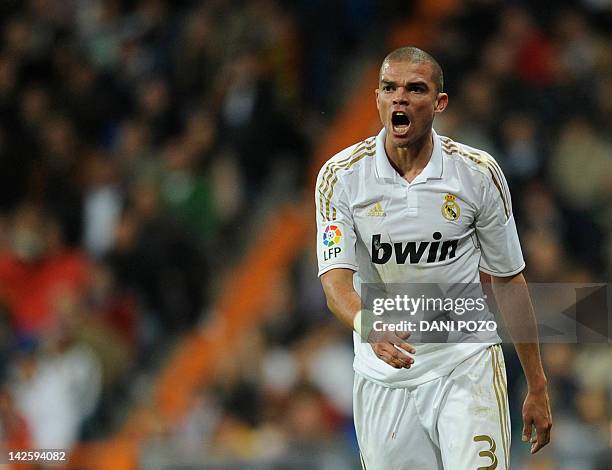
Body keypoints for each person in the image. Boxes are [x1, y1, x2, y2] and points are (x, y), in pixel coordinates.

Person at [315, 46, 552, 469]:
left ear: (439, 103)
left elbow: (509, 280)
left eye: (415, 89)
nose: (400, 98)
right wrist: (370, 326)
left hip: (465, 362)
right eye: (390, 88)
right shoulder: (341, 177)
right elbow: (336, 287)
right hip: (384, 375)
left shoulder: (478, 174)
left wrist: (536, 384)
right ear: (377, 99)